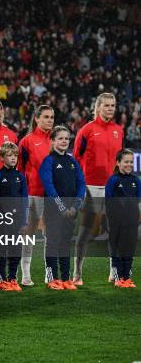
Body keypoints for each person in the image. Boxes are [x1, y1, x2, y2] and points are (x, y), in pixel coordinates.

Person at [73, 93, 123, 285]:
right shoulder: (86, 130)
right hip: (90, 187)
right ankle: (77, 275)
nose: (110, 108)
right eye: (107, 105)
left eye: (113, 105)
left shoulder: (118, 130)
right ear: (98, 107)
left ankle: (115, 273)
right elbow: (77, 158)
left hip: (111, 188)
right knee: (85, 232)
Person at [39, 126, 86, 291]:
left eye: (67, 138)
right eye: (60, 138)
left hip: (71, 210)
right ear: (53, 141)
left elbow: (81, 184)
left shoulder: (73, 161)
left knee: (66, 243)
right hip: (54, 209)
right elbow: (49, 186)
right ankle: (53, 279)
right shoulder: (48, 161)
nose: (64, 141)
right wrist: (61, 206)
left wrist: (75, 206)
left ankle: (66, 278)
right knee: (52, 242)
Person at [17, 105, 54, 286]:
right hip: (33, 194)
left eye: (52, 117)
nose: (50, 120)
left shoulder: (56, 140)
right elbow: (20, 169)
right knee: (29, 235)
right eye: (46, 117)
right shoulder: (27, 141)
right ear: (37, 119)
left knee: (50, 235)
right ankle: (25, 275)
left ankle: (50, 275)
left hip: (52, 196)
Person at [0, 142, 28, 291]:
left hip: (18, 219)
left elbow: (24, 200)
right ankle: (0, 279)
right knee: (0, 249)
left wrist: (25, 221)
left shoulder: (20, 177)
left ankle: (12, 278)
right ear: (1, 157)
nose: (13, 158)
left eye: (15, 156)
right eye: (9, 155)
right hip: (1, 220)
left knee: (15, 249)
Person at [104, 148, 140, 288]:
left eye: (131, 162)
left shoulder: (136, 180)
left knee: (129, 250)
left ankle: (127, 278)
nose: (129, 164)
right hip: (116, 221)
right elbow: (108, 201)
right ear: (118, 163)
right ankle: (118, 278)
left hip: (132, 221)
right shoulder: (113, 180)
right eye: (126, 162)